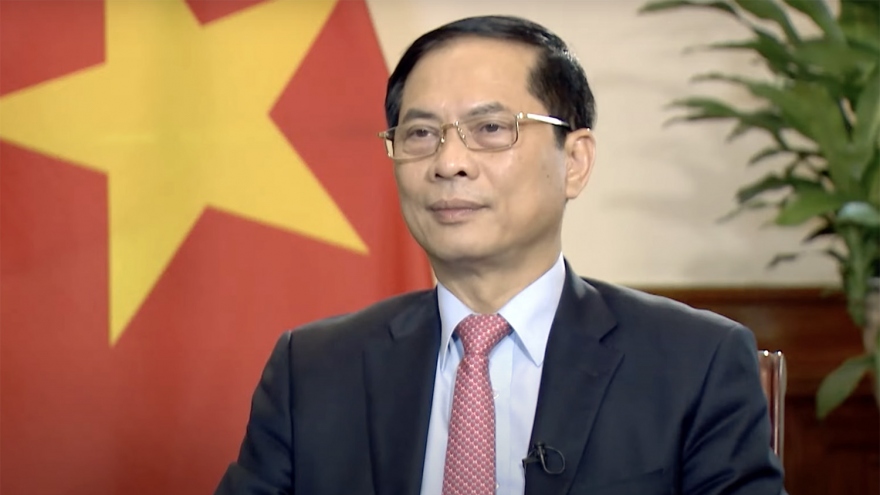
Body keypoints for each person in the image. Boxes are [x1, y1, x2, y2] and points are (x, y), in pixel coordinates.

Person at [215, 15, 787, 495]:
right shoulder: (313, 370)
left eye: (490, 127)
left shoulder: (695, 363)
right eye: (420, 134)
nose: (449, 163)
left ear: (575, 161)